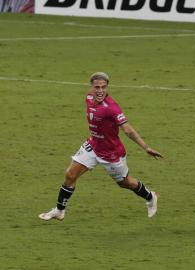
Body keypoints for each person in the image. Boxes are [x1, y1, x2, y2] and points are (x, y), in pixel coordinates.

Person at [39, 72, 163, 221]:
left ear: (107, 87)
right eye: (97, 87)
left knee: (125, 183)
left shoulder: (111, 107)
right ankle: (59, 210)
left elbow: (128, 130)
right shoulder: (89, 98)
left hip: (112, 153)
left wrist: (146, 147)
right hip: (93, 145)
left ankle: (151, 196)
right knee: (70, 175)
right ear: (91, 87)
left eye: (103, 87)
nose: (100, 91)